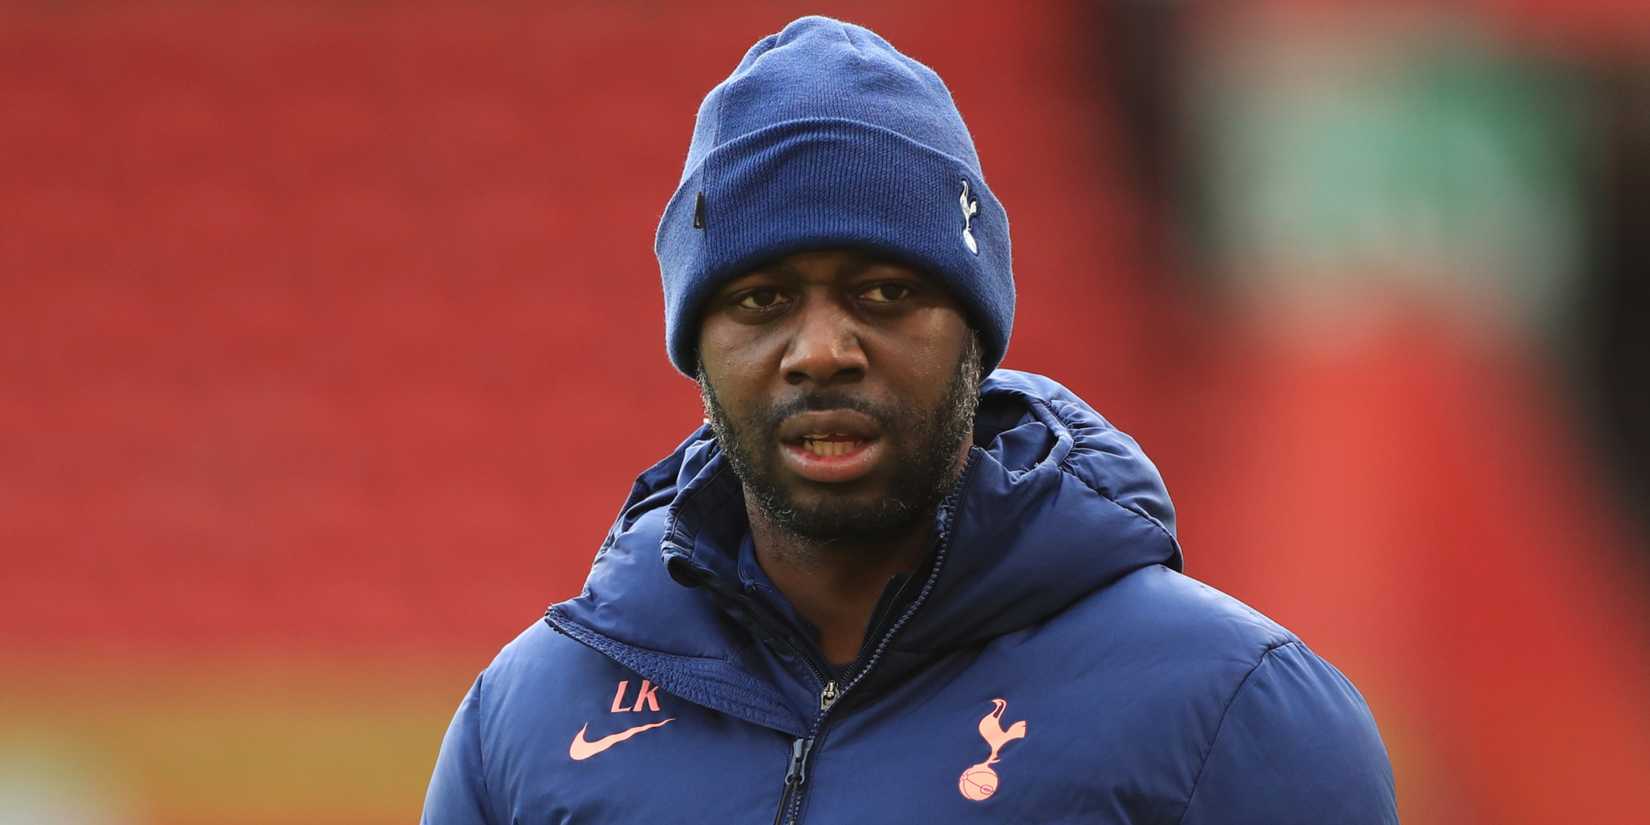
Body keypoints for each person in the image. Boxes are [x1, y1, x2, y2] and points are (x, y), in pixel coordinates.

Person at [421, 15, 1397, 824]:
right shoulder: (529, 719)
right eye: (761, 300)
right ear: (697, 346)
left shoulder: (1230, 708)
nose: (821, 350)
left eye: (883, 292)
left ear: (976, 332)